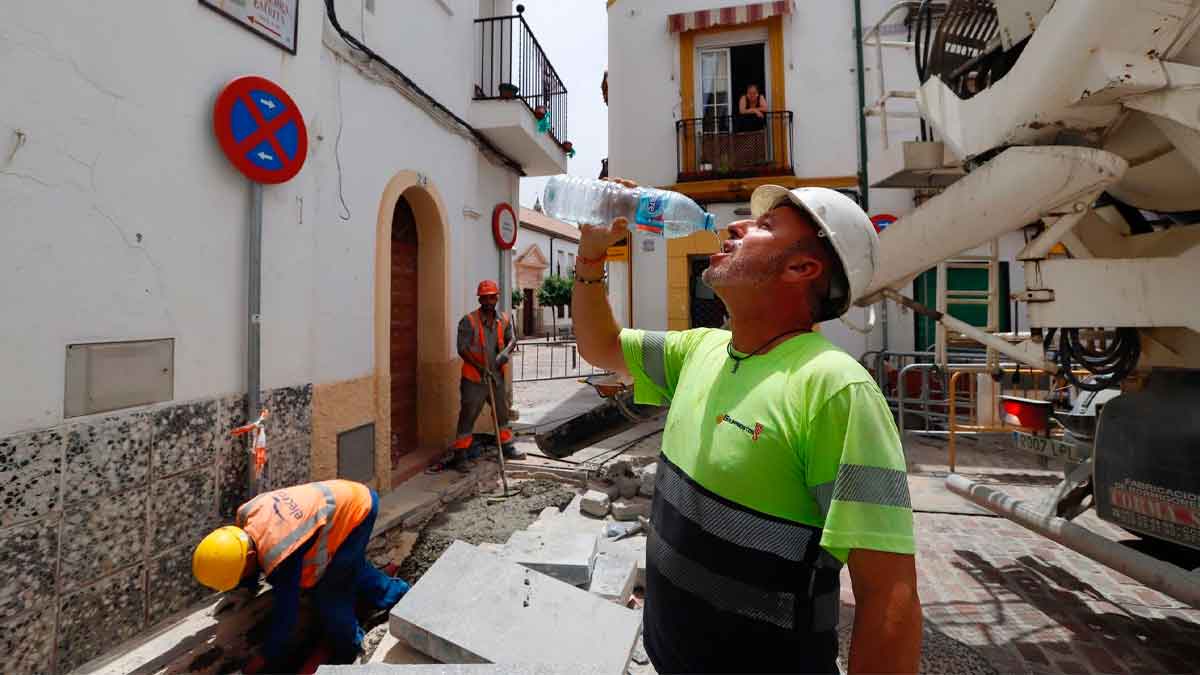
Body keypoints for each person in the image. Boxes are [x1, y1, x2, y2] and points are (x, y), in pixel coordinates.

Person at [572, 180, 922, 674]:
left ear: (802, 268)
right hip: (668, 658)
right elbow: (600, 345)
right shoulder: (700, 350)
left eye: (764, 225)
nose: (735, 226)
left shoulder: (835, 389)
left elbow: (888, 593)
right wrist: (590, 258)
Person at [192, 480, 410, 670]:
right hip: (345, 496)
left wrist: (270, 661)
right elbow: (249, 559)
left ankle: (349, 650)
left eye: (239, 576)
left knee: (330, 591)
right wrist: (244, 590)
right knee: (346, 569)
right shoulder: (246, 515)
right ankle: (399, 593)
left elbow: (286, 614)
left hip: (356, 511)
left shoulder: (281, 551)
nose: (240, 579)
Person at [450, 279, 522, 469]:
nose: (489, 301)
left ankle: (506, 446)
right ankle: (461, 454)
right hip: (474, 378)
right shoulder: (469, 321)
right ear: (480, 299)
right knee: (469, 414)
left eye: (492, 297)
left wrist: (505, 353)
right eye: (485, 298)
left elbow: (512, 339)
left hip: (497, 376)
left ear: (497, 298)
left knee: (502, 412)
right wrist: (481, 367)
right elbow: (462, 349)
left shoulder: (504, 319)